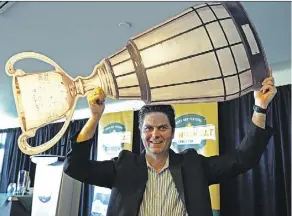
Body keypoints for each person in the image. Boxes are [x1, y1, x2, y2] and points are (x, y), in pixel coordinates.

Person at [63, 69, 277, 216]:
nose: (155, 134)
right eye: (149, 128)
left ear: (172, 133)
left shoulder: (193, 165)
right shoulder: (123, 165)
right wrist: (94, 117)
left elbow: (243, 159)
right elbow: (74, 167)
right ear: (141, 132)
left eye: (162, 128)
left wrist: (260, 108)